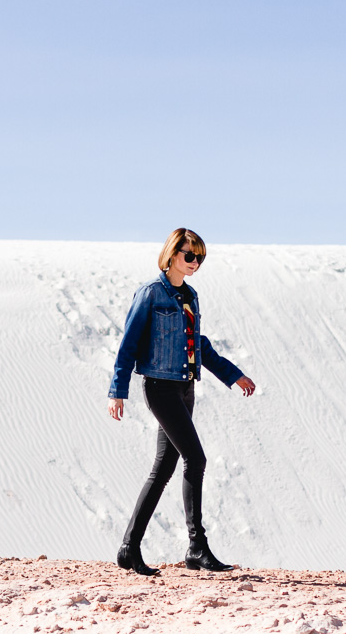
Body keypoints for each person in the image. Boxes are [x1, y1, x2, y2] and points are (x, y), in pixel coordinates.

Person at [107, 228, 256, 576]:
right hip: (159, 388)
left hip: (184, 389)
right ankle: (196, 546)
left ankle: (129, 548)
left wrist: (233, 374)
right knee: (196, 458)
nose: (194, 263)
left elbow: (197, 342)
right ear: (172, 254)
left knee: (162, 471)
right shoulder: (150, 294)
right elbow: (128, 344)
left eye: (199, 257)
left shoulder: (190, 296)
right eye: (189, 256)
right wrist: (118, 390)